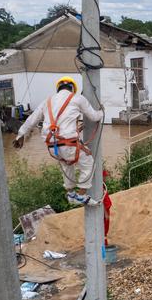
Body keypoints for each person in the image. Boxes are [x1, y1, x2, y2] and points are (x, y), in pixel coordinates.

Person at [14, 76, 103, 206]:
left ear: (58, 88)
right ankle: (81, 195)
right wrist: (101, 112)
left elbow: (32, 119)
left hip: (52, 147)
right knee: (88, 162)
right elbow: (94, 117)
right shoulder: (77, 99)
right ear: (73, 88)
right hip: (69, 145)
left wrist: (20, 135)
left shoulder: (47, 101)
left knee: (67, 163)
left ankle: (71, 192)